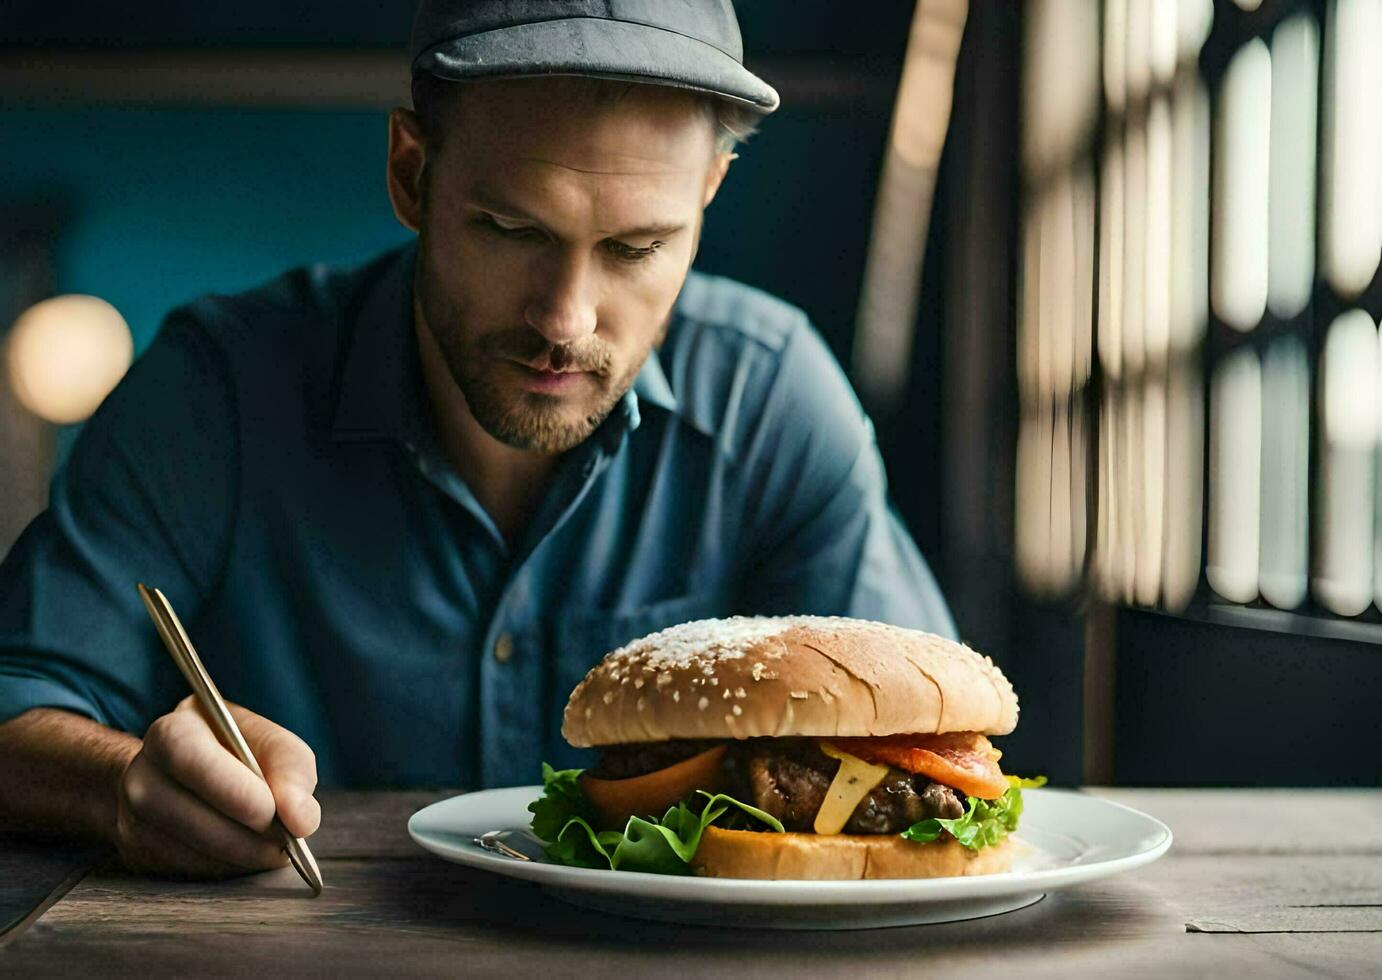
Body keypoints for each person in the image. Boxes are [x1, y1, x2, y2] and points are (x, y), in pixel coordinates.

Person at [0, 1, 954, 879]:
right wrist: (120, 783)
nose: (565, 319)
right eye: (509, 228)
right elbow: (17, 699)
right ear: (411, 171)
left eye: (635, 249)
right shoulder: (215, 390)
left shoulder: (771, 397)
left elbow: (925, 730)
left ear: (707, 193)